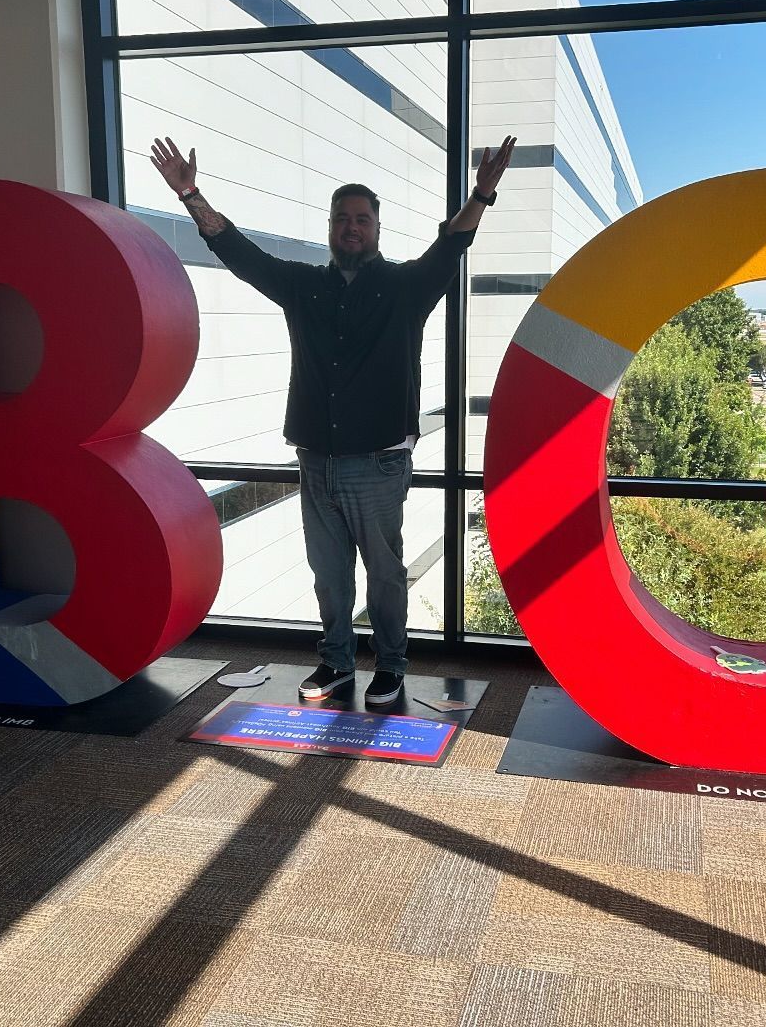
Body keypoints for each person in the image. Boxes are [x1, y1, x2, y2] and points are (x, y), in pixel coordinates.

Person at [150, 133, 515, 706]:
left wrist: (482, 194)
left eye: (362, 219)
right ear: (330, 228)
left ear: (376, 229)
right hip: (315, 458)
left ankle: (391, 667)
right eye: (342, 218)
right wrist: (190, 193)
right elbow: (238, 252)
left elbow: (451, 246)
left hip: (378, 462)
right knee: (329, 576)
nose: (352, 227)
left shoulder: (404, 288)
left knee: (386, 575)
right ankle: (337, 664)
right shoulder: (303, 286)